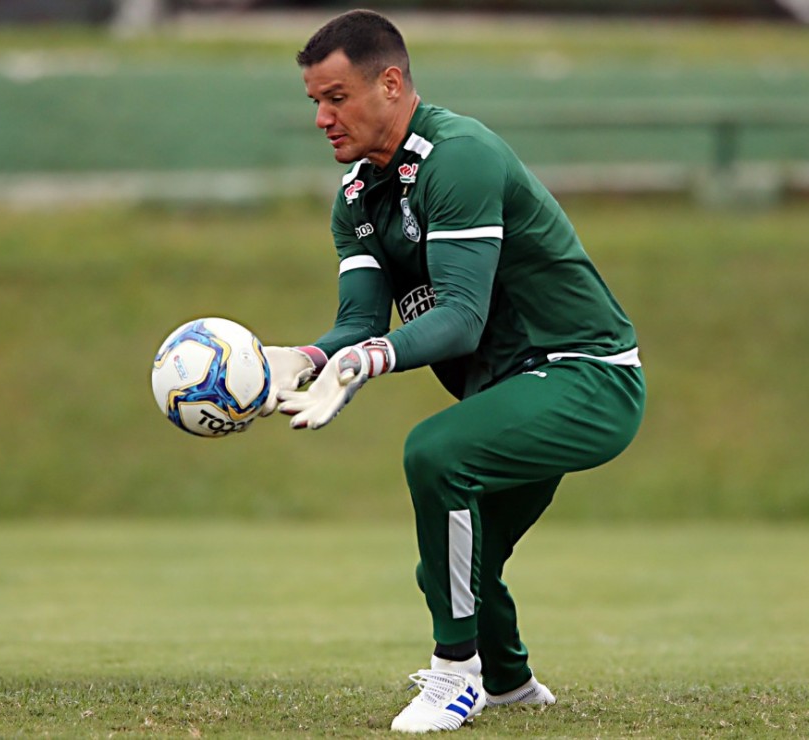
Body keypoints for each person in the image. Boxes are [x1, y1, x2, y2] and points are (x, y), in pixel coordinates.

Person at [258, 8, 646, 734]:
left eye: (336, 97)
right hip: (513, 387)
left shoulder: (458, 156)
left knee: (435, 452)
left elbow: (462, 316)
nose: (321, 119)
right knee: (455, 563)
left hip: (587, 374)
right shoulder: (356, 198)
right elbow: (360, 322)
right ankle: (509, 683)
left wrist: (363, 364)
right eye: (314, 101)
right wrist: (304, 358)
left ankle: (454, 676)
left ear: (391, 83)